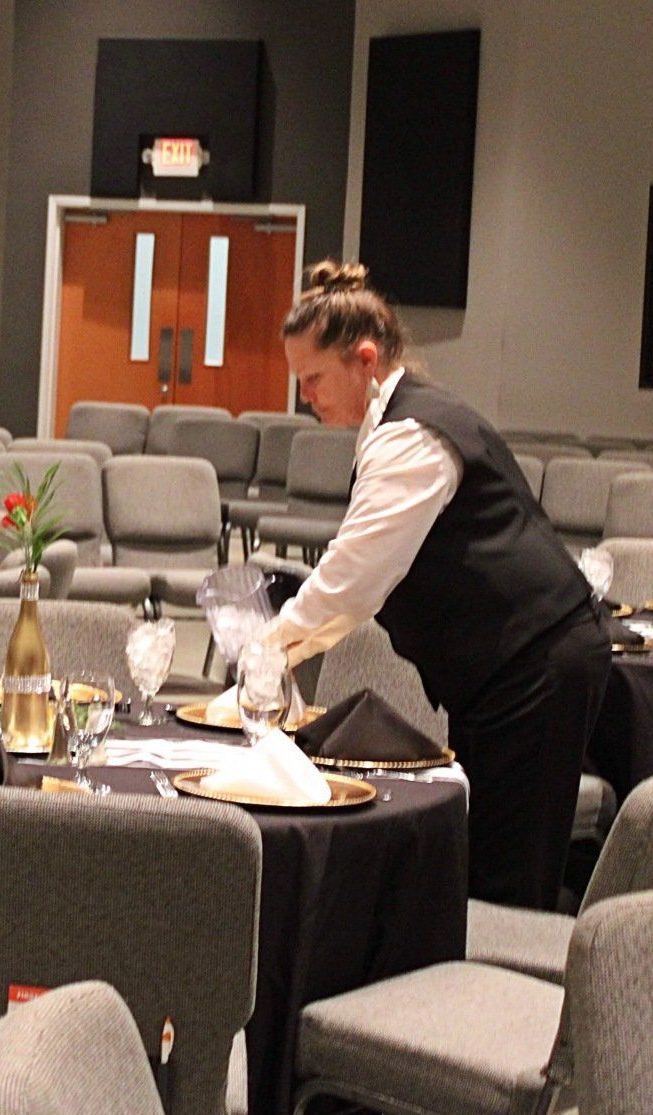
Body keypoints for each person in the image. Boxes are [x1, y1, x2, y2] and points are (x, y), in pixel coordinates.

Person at [261, 260, 611, 910]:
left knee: (505, 883)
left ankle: (507, 974)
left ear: (365, 360)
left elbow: (352, 581)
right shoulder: (402, 421)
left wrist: (266, 654)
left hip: (532, 664)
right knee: (477, 862)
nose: (304, 395)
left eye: (313, 378)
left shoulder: (412, 437)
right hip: (508, 668)